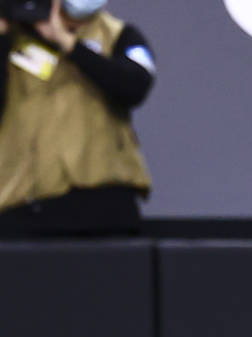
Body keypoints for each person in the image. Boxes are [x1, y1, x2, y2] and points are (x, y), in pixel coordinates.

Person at [0, 0, 154, 235]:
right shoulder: (13, 35)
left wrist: (69, 44)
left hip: (106, 208)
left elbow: (134, 86)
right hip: (25, 208)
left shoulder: (120, 35)